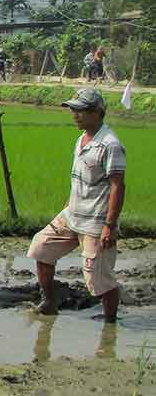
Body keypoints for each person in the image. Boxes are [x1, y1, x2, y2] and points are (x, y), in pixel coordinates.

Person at [26, 88, 125, 323]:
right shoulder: (81, 140)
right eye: (74, 109)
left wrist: (109, 226)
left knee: (98, 278)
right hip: (72, 215)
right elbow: (78, 179)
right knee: (41, 247)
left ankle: (110, 320)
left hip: (96, 222)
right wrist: (68, 205)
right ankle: (49, 302)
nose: (75, 114)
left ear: (97, 113)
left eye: (80, 110)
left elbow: (117, 186)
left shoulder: (110, 145)